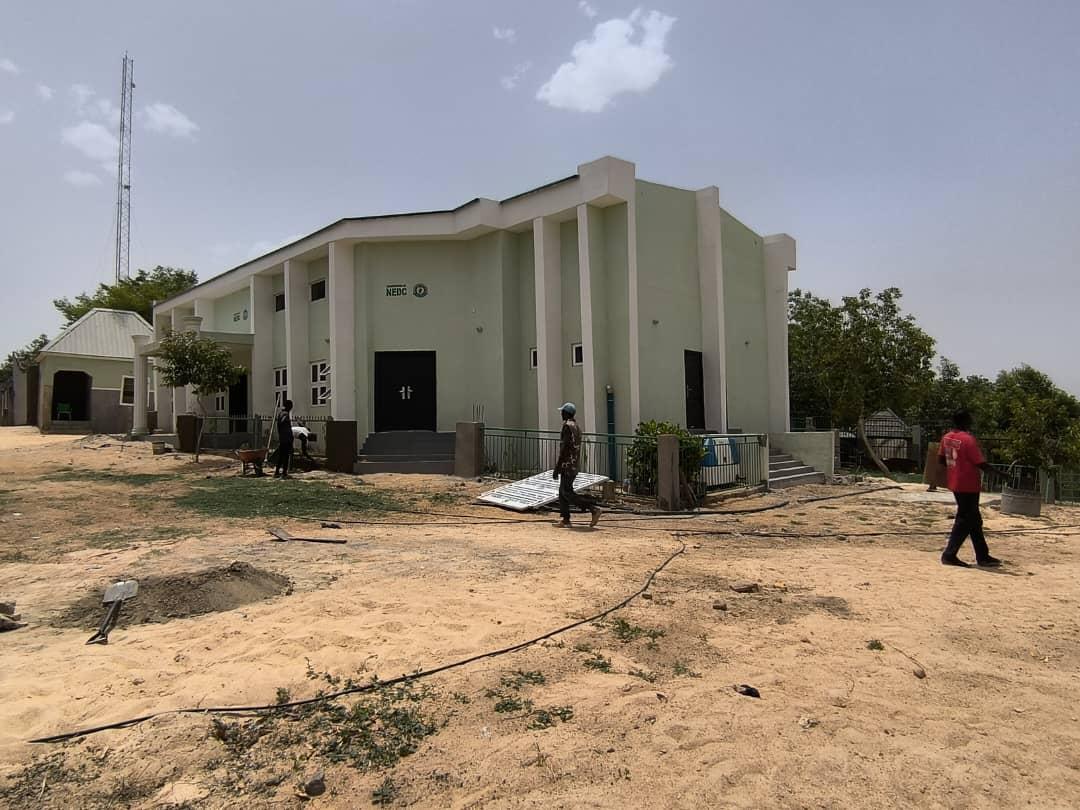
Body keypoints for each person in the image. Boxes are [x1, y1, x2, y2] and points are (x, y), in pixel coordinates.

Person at [937, 410, 1003, 568]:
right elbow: (980, 463)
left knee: (974, 520)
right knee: (965, 520)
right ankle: (949, 554)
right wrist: (1000, 474)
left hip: (955, 482)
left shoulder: (946, 437)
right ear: (966, 421)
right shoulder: (968, 439)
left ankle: (983, 555)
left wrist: (955, 467)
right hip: (969, 484)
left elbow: (941, 459)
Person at [553, 402, 601, 528]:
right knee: (562, 491)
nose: (561, 414)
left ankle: (593, 508)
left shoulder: (567, 427)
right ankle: (565, 519)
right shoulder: (577, 426)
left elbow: (564, 448)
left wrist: (557, 467)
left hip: (567, 465)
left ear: (566, 413)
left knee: (567, 492)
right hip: (574, 465)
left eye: (562, 412)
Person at [274, 399, 295, 479]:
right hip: (286, 439)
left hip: (282, 438)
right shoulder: (285, 414)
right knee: (285, 456)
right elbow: (283, 422)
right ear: (289, 406)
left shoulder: (281, 413)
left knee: (281, 456)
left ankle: (277, 472)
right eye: (291, 406)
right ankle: (284, 473)